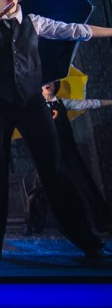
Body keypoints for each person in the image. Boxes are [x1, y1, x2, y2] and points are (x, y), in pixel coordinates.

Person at [0, 0, 112, 260]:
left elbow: (74, 30)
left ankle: (88, 241)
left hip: (31, 104)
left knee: (54, 170)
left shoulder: (34, 22)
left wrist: (111, 31)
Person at [41, 80, 112, 234]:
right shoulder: (34, 109)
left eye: (51, 82)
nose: (48, 84)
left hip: (68, 151)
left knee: (84, 183)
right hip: (47, 154)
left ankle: (103, 221)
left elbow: (90, 103)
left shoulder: (63, 103)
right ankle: (35, 226)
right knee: (43, 190)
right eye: (45, 83)